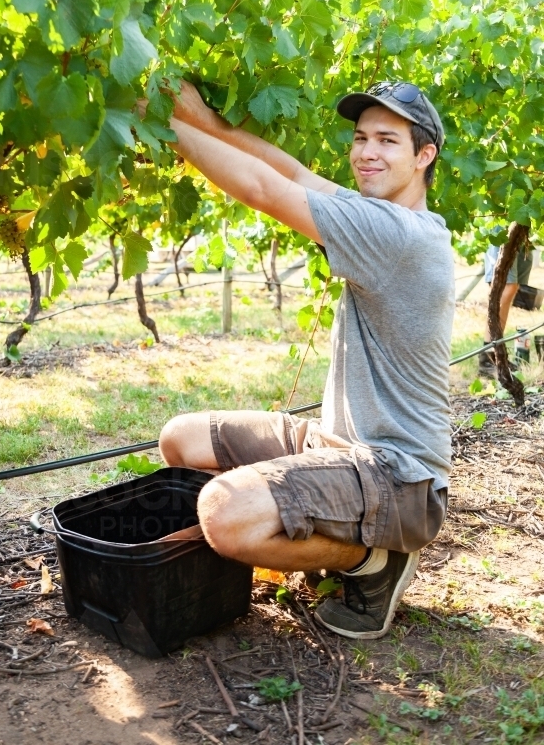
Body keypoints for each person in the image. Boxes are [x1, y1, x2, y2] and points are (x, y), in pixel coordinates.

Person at [154, 79, 454, 640]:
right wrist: (199, 118)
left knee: (222, 513)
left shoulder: (394, 233)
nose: (367, 152)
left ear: (423, 156)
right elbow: (292, 173)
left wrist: (156, 122)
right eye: (361, 138)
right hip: (340, 447)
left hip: (400, 480)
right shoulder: (386, 216)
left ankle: (373, 563)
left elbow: (265, 190)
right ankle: (312, 524)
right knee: (181, 440)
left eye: (388, 141)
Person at [478, 242, 533, 377]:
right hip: (503, 225)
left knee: (512, 287)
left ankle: (497, 355)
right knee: (503, 287)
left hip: (523, 228)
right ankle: (487, 358)